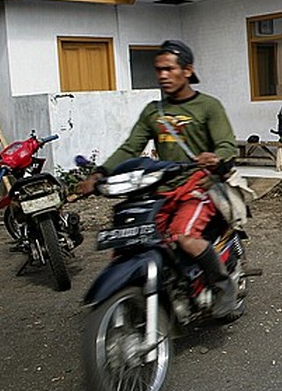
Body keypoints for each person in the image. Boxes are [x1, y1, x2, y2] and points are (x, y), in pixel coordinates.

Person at [77, 40, 238, 318]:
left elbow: (227, 145)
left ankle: (223, 286)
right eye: (158, 70)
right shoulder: (154, 111)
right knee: (135, 237)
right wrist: (100, 173)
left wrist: (215, 157)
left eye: (169, 69)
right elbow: (130, 148)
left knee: (183, 236)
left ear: (187, 70)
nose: (162, 75)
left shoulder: (208, 106)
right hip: (161, 189)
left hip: (199, 186)